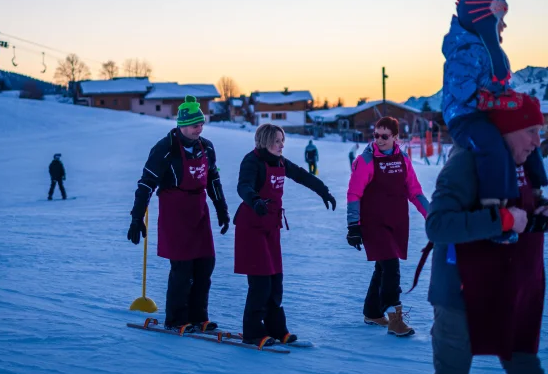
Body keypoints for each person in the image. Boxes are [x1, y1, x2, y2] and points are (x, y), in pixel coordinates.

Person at [414, 93, 546, 374]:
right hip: (460, 297)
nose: (536, 142)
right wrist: (501, 219)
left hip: (506, 293)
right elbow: (438, 225)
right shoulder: (467, 161)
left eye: (539, 132)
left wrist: (537, 215)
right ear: (507, 128)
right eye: (530, 131)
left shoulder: (520, 164)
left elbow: (521, 216)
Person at [441, 0, 547, 244]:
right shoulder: (464, 52)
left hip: (488, 113)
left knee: (527, 136)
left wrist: (516, 103)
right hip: (465, 116)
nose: (505, 25)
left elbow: (504, 86)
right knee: (491, 143)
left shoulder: (493, 53)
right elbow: (461, 89)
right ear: (485, 20)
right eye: (500, 19)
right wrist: (491, 102)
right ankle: (492, 208)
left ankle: (536, 192)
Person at [127, 95, 230, 333]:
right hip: (175, 213)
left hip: (199, 211)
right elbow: (146, 184)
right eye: (195, 125)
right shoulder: (165, 149)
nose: (199, 129)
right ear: (181, 125)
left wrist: (221, 208)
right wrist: (136, 217)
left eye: (201, 124)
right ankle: (176, 319)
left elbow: (213, 178)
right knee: (182, 269)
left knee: (205, 264)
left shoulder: (207, 146)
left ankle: (198, 316)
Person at [234, 123, 337, 347]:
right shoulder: (252, 161)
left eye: (283, 141)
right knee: (260, 282)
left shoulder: (280, 161)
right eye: (277, 141)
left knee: (275, 280)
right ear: (265, 141)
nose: (282, 145)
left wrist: (323, 190)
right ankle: (252, 332)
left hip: (271, 228)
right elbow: (243, 186)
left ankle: (276, 329)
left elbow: (301, 175)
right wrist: (255, 200)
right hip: (251, 227)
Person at [346, 117, 428, 336]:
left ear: (395, 137)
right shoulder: (366, 161)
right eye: (376, 135)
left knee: (383, 267)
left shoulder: (403, 159)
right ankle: (395, 319)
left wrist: (431, 215)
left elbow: (415, 191)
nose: (379, 140)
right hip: (373, 223)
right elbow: (354, 193)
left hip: (396, 221)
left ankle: (372, 312)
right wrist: (353, 225)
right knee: (391, 266)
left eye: (384, 136)